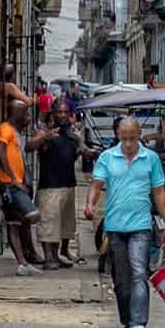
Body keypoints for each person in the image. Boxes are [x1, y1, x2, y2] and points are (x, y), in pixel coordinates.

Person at [85, 117, 165, 328]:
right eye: (124, 139)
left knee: (138, 273)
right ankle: (127, 323)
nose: (127, 144)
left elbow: (159, 193)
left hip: (141, 227)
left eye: (132, 139)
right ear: (118, 136)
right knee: (121, 281)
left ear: (139, 135)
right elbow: (96, 184)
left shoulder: (150, 159)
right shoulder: (107, 157)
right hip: (115, 227)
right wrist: (90, 204)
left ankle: (139, 323)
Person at [37, 100, 95, 269]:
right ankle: (48, 258)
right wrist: (44, 138)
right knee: (49, 223)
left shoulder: (72, 136)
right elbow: (30, 147)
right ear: (53, 113)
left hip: (69, 184)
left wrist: (92, 153)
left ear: (70, 115)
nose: (62, 115)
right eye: (58, 112)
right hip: (50, 186)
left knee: (63, 225)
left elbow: (83, 152)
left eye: (65, 112)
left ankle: (56, 255)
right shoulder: (44, 132)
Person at [0, 99, 46, 275]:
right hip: (10, 184)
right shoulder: (5, 129)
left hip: (16, 183)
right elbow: (0, 153)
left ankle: (23, 263)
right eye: (24, 114)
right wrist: (13, 178)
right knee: (33, 214)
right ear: (16, 113)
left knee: (14, 223)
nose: (27, 117)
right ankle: (27, 255)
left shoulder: (16, 132)